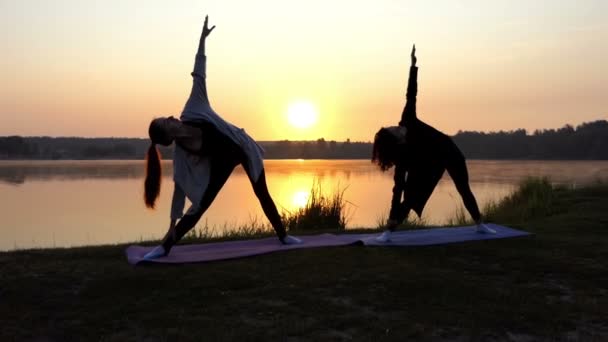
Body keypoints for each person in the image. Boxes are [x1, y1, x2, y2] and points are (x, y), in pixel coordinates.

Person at [142, 16, 301, 260]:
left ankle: (284, 236)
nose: (172, 116)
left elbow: (198, 74)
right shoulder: (182, 154)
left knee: (262, 193)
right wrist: (172, 224)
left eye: (167, 117)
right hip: (219, 166)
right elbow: (180, 188)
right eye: (167, 121)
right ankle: (164, 247)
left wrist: (202, 40)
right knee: (198, 208)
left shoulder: (193, 108)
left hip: (241, 147)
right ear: (168, 135)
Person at [371, 45, 496, 242]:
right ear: (395, 140)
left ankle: (480, 224)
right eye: (392, 130)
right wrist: (392, 213)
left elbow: (411, 94)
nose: (394, 126)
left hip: (449, 150)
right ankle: (389, 230)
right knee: (408, 198)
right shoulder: (402, 157)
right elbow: (398, 188)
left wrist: (413, 67)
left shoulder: (408, 118)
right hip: (429, 165)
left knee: (464, 188)